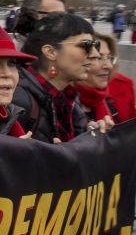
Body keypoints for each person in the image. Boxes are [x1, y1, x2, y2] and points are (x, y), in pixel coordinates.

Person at [11, 12, 104, 143]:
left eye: (96, 45)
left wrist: (91, 137)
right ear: (51, 52)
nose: (96, 54)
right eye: (85, 45)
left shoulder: (69, 97)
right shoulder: (17, 99)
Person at [76, 33, 120, 123]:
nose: (109, 66)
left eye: (109, 58)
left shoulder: (108, 106)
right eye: (98, 58)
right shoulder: (63, 106)